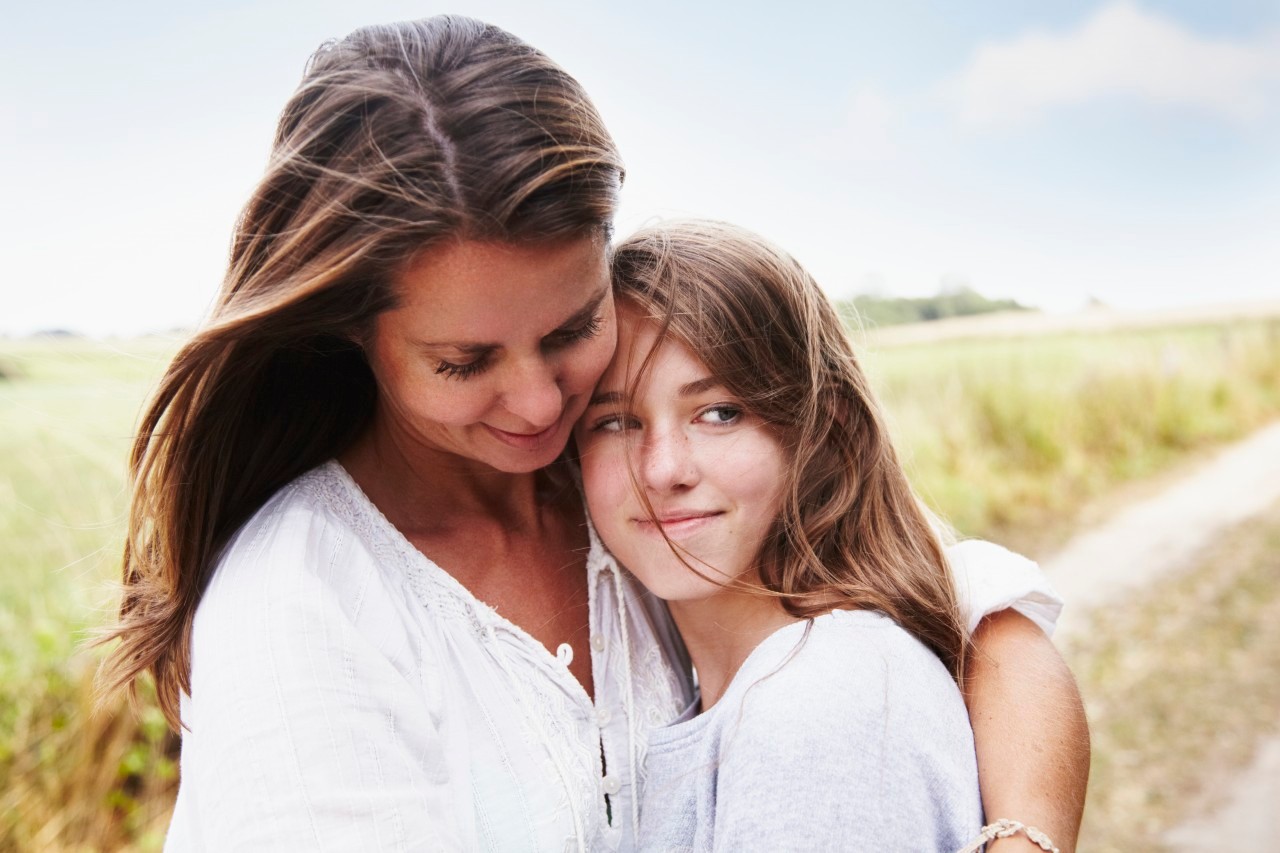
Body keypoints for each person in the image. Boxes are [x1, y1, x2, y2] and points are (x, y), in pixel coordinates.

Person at [99, 15, 1088, 852]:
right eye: (465, 362)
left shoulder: (640, 477)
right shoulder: (306, 601)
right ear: (353, 332)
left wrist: (1019, 839)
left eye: (572, 329)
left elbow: (973, 615)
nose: (538, 405)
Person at [577, 220, 1076, 852]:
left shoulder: (817, 704)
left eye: (720, 413)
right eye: (616, 421)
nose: (662, 470)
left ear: (821, 429)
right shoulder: (704, 673)